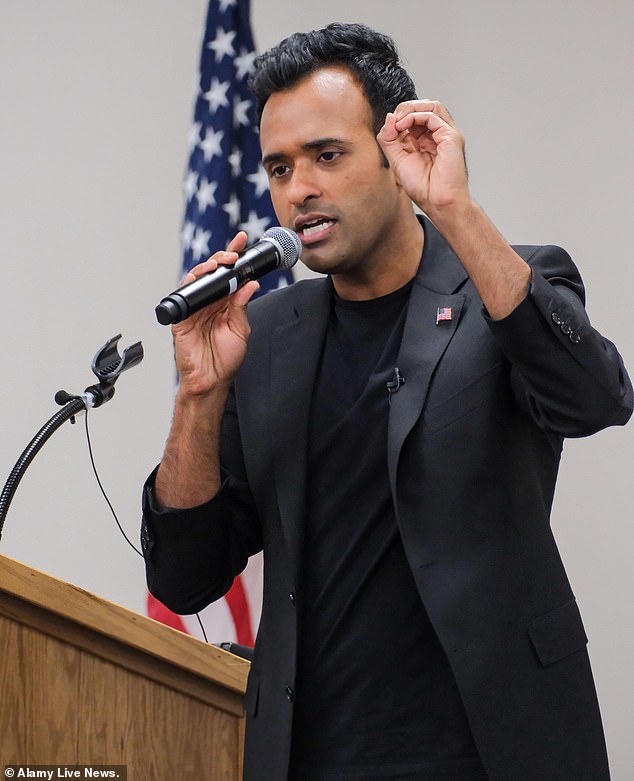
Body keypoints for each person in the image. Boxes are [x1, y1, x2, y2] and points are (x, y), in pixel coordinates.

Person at [141, 22, 632, 781]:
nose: (298, 189)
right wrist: (199, 396)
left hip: (489, 751)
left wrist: (456, 211)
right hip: (314, 756)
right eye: (278, 167)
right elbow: (185, 578)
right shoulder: (267, 334)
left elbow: (595, 399)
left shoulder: (504, 286)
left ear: (395, 157)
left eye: (327, 156)